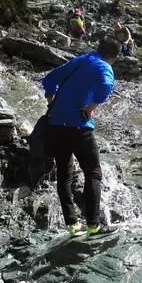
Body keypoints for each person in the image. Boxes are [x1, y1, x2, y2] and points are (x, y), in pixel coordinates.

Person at [41, 37, 122, 238]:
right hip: (79, 126)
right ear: (115, 57)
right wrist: (91, 107)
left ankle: (72, 225)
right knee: (93, 173)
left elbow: (49, 79)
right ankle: (93, 225)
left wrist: (52, 102)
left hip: (57, 125)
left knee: (64, 173)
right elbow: (105, 86)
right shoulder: (104, 66)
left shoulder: (82, 60)